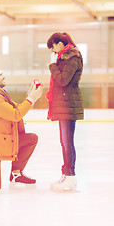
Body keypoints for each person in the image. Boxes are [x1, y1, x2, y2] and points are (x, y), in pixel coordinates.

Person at [46, 32, 84, 191]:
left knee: (67, 143)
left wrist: (52, 66)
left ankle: (70, 177)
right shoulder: (66, 58)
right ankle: (67, 175)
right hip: (65, 104)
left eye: (53, 48)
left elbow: (62, 80)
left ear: (60, 44)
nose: (53, 53)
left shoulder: (72, 58)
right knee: (65, 142)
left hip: (68, 106)